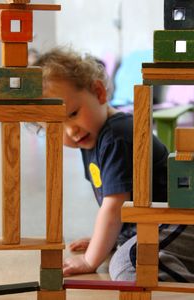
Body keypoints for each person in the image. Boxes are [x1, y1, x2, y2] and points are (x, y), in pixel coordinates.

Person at [35, 46, 194, 282]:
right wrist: (106, 239)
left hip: (180, 221)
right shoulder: (93, 138)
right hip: (157, 225)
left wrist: (91, 259)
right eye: (56, 128)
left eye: (73, 113)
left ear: (98, 92)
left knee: (129, 264)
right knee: (124, 253)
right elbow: (114, 211)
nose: (71, 130)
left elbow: (113, 207)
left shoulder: (117, 135)